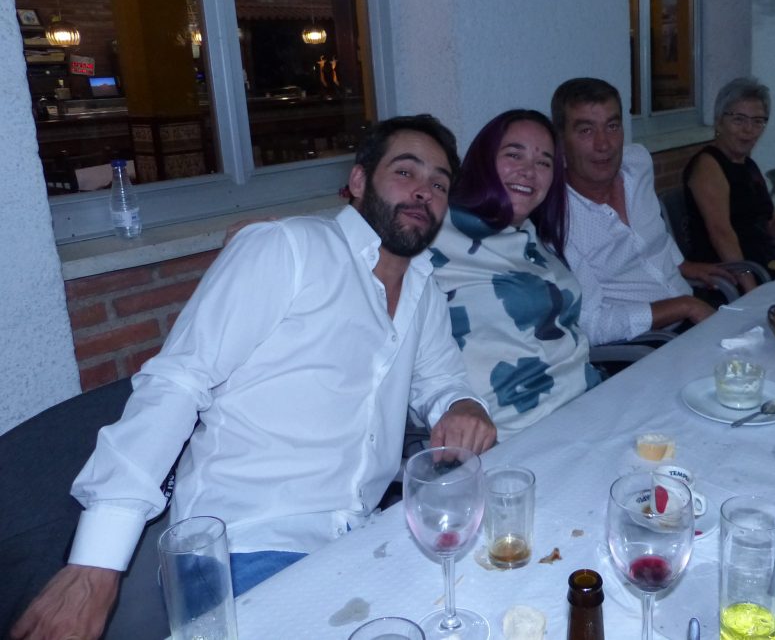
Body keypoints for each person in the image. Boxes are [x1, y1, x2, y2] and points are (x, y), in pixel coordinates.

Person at [12, 115, 497, 640]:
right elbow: (178, 381)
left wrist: (461, 404)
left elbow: (440, 381)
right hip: (243, 544)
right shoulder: (287, 248)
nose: (423, 191)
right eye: (405, 172)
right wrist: (95, 564)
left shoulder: (423, 289)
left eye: (439, 184)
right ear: (359, 181)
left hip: (355, 540)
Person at [429, 109, 602, 438]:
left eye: (544, 162)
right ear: (483, 159)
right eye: (514, 154)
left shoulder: (530, 237)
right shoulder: (437, 231)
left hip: (587, 405)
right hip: (514, 432)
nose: (529, 171)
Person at [551, 77, 736, 347]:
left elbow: (653, 232)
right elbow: (591, 325)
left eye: (612, 126)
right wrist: (684, 306)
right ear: (560, 141)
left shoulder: (637, 164)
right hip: (641, 346)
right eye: (586, 131)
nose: (604, 144)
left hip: (692, 313)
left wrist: (682, 265)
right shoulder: (558, 222)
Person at [682, 77, 775, 291]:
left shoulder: (748, 166)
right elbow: (722, 234)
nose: (749, 129)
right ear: (719, 121)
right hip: (729, 277)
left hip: (764, 264)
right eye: (739, 119)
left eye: (757, 121)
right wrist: (752, 291)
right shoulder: (708, 166)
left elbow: (770, 225)